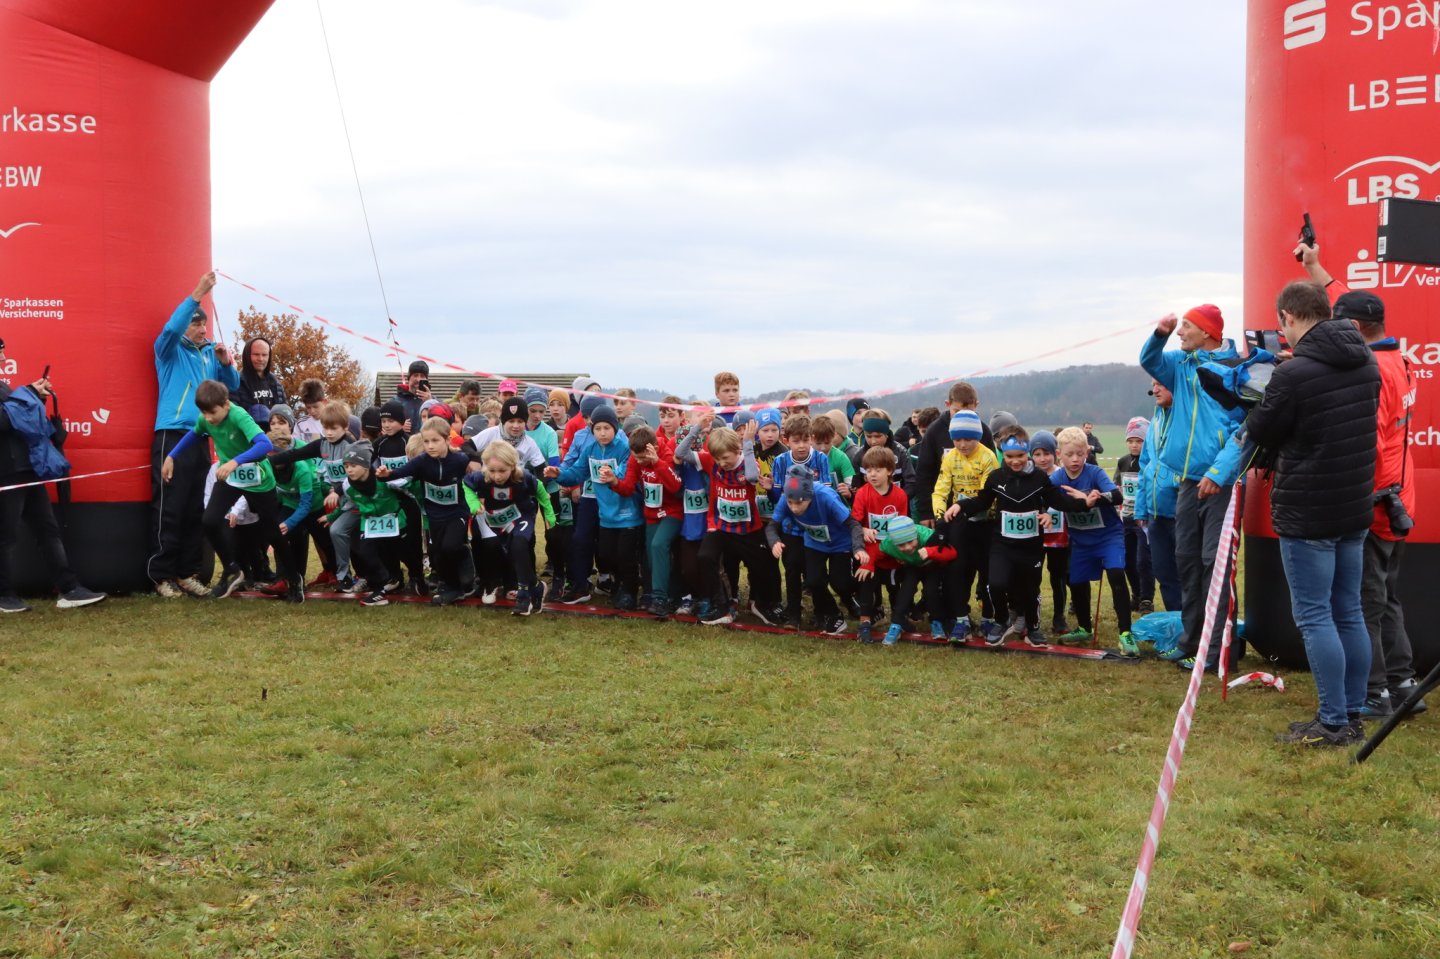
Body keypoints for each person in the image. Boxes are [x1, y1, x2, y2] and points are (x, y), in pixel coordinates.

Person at [1246, 279, 1380, 747]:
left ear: (1287, 317)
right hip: (1353, 505)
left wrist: (1267, 392)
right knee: (1349, 611)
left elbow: (1262, 431)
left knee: (1315, 616)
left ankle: (1332, 721)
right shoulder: (1365, 360)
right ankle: (1353, 712)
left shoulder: (1293, 374)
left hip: (1308, 510)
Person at [1298, 244, 1427, 717]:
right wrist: (1315, 267)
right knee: (1385, 598)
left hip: (1374, 500)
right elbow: (1346, 302)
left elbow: (1363, 444)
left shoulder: (1372, 373)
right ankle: (1403, 684)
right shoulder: (1397, 358)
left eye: (1338, 325)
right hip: (1400, 497)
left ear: (1353, 328)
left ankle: (1374, 693)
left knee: (1362, 604)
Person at [1140, 305, 1246, 668]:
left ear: (1208, 332)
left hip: (1220, 483)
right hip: (1186, 480)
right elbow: (1149, 360)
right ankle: (1190, 641)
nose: (1181, 332)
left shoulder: (1235, 369)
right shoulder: (1181, 364)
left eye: (1187, 326)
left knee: (1214, 565)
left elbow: (1243, 431)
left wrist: (1218, 472)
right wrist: (1160, 333)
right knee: (1186, 560)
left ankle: (1217, 651)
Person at [161, 379, 302, 604]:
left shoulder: (239, 416)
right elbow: (194, 433)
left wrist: (235, 462)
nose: (208, 418)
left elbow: (264, 445)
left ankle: (294, 578)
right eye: (203, 413)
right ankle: (232, 569)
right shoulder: (206, 418)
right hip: (231, 478)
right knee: (209, 520)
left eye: (212, 413)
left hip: (258, 478)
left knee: (272, 533)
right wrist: (171, 456)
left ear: (226, 404)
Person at [149, 271, 240, 597]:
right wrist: (197, 294)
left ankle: (187, 573)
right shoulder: (168, 349)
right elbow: (171, 329)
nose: (203, 329)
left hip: (202, 437)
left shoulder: (209, 354)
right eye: (196, 324)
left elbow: (232, 386)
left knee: (194, 509)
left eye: (204, 325)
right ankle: (161, 576)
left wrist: (226, 363)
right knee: (170, 508)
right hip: (172, 436)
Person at [959, 425, 1091, 647]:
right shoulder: (996, 478)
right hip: (1002, 545)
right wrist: (960, 506)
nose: (1015, 461)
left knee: (1031, 590)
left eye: (1020, 455)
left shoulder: (1039, 478)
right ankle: (1002, 621)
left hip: (1031, 547)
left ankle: (1034, 628)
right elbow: (981, 502)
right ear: (1003, 454)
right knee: (996, 584)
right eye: (1009, 456)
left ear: (1027, 453)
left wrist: (1085, 503)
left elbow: (1059, 501)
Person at [0, 338, 106, 612]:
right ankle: (3, 595)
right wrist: (28, 394)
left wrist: (35, 397)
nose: (3, 359)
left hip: (27, 469)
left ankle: (69, 589)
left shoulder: (4, 387)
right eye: (0, 354)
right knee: (5, 536)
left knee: (48, 530)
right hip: (6, 474)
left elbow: (20, 421)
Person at [679, 421, 784, 627]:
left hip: (748, 529)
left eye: (726, 458)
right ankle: (721, 604)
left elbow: (752, 477)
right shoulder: (712, 461)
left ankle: (763, 604)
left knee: (764, 565)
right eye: (717, 458)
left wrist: (747, 443)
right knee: (705, 556)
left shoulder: (748, 461)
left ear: (737, 450)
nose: (721, 463)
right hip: (722, 527)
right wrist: (697, 428)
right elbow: (681, 452)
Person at [376, 416, 477, 606]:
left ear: (447, 440)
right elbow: (399, 472)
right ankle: (452, 588)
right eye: (426, 441)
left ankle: (465, 557)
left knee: (451, 546)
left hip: (457, 514)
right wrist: (385, 474)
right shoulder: (421, 462)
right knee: (437, 554)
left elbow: (476, 478)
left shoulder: (459, 460)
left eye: (435, 440)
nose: (430, 446)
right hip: (434, 517)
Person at [1051, 427, 1133, 651]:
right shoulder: (1057, 478)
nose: (1075, 459)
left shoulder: (1095, 473)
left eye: (1080, 454)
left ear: (1087, 453)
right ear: (1059, 455)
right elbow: (1044, 495)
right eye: (1069, 454)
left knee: (1116, 574)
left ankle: (1126, 633)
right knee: (1076, 581)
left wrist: (1091, 497)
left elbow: (1117, 496)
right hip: (1081, 541)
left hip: (1108, 536)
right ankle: (1084, 628)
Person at [766, 465, 866, 635]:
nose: (794, 508)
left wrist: (858, 548)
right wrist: (774, 541)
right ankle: (834, 615)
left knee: (840, 583)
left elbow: (853, 524)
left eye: (799, 502)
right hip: (814, 543)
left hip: (839, 543)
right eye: (790, 503)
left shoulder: (826, 497)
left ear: (810, 495)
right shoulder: (787, 497)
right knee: (813, 581)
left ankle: (851, 599)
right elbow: (772, 526)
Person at [934, 409, 999, 642]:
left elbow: (987, 496)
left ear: (978, 437)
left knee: (987, 573)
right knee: (957, 570)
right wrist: (940, 517)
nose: (962, 444)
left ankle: (989, 619)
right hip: (960, 521)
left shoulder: (988, 457)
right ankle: (961, 619)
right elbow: (941, 489)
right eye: (957, 439)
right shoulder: (950, 457)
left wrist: (962, 506)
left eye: (968, 439)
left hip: (986, 522)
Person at [464, 440, 550, 615]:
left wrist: (549, 513)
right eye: (492, 471)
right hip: (497, 520)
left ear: (512, 465)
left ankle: (523, 596)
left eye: (502, 471)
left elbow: (540, 489)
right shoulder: (481, 478)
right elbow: (466, 485)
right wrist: (473, 503)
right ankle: (536, 586)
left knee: (519, 544)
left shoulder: (524, 477)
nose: (497, 476)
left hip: (522, 516)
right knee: (512, 554)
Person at [612, 425, 683, 617]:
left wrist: (657, 463)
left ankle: (660, 598)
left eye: (643, 458)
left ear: (654, 448)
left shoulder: (666, 454)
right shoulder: (635, 458)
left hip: (672, 512)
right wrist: (613, 482)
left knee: (658, 545)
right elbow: (628, 488)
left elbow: (676, 487)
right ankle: (661, 593)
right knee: (652, 554)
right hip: (651, 513)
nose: (640, 462)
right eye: (636, 458)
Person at [855, 515, 956, 646]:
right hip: (912, 567)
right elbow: (875, 550)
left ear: (916, 536)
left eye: (910, 542)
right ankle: (896, 624)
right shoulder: (889, 544)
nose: (907, 547)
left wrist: (931, 551)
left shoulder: (927, 536)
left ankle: (936, 621)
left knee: (931, 592)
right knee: (905, 592)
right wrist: (868, 565)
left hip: (932, 566)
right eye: (901, 545)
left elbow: (952, 552)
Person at [850, 445, 910, 642]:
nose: (872, 474)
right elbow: (855, 522)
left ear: (890, 471)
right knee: (866, 584)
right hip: (870, 550)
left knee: (894, 587)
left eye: (878, 470)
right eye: (868, 470)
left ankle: (899, 619)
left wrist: (901, 552)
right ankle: (865, 623)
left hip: (892, 550)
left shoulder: (900, 495)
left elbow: (902, 526)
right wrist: (864, 530)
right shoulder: (862, 493)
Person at [915, 381, 994, 528]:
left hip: (979, 509)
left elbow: (992, 474)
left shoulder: (983, 430)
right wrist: (926, 511)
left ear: (976, 405)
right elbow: (924, 473)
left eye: (969, 411)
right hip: (944, 508)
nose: (962, 416)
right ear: (947, 404)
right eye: (957, 411)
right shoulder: (935, 430)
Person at [1134, 380, 1182, 612]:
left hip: (1182, 512)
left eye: (1160, 384)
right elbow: (1145, 466)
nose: (1154, 390)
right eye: (1153, 384)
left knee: (1188, 573)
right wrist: (1141, 508)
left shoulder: (1188, 419)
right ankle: (1176, 621)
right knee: (1163, 572)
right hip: (1155, 514)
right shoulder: (1155, 421)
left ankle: (1194, 625)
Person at [1029, 430, 1072, 634]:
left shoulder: (1062, 475)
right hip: (1034, 537)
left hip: (1059, 538)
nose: (1042, 459)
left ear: (1055, 453)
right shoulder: (1028, 476)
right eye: (1037, 454)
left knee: (1058, 578)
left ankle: (1059, 617)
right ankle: (1029, 616)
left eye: (1046, 453)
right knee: (1032, 578)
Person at [1115, 417, 1154, 614]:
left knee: (1143, 561)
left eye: (1139, 441)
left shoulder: (1151, 462)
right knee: (1127, 561)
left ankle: (1147, 599)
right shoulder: (1123, 462)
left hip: (1144, 520)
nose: (1134, 445)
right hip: (1126, 519)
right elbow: (1117, 487)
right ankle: (1137, 595)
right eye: (1130, 441)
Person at [229, 336, 287, 412]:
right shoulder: (237, 383)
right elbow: (233, 413)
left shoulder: (275, 382)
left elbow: (285, 412)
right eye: (256, 354)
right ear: (247, 355)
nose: (260, 359)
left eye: (264, 355)